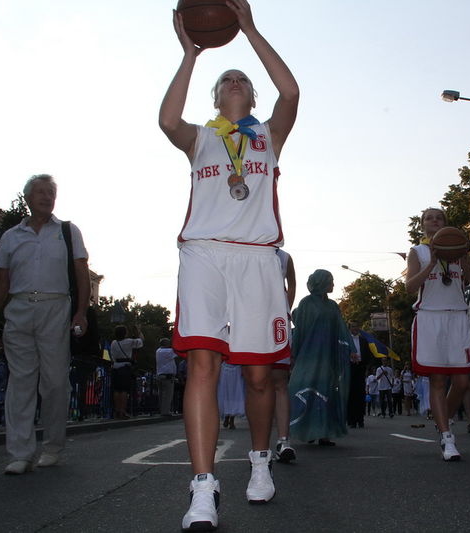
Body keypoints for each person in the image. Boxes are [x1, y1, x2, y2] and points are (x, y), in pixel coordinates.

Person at [159, 0, 299, 529]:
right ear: (216, 96)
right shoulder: (201, 137)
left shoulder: (270, 135)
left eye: (242, 79)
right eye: (227, 79)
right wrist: (191, 55)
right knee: (202, 364)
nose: (235, 81)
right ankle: (203, 485)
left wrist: (249, 29)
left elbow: (290, 92)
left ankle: (259, 462)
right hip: (204, 252)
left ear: (251, 95)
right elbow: (166, 119)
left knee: (261, 376)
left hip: (258, 258)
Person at [0, 174, 90, 474]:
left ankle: (53, 445)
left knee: (55, 381)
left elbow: (81, 271)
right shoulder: (12, 236)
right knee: (21, 382)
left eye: (50, 192)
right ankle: (20, 453)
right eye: (40, 192)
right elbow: (0, 279)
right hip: (18, 308)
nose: (45, 196)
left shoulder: (68, 231)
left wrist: (81, 311)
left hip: (56, 307)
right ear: (28, 198)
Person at [406, 207, 470, 461]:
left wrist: (464, 256)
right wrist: (432, 263)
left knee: (462, 382)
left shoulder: (457, 251)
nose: (434, 220)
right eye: (429, 218)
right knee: (438, 380)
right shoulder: (418, 252)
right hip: (430, 316)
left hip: (457, 315)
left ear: (446, 224)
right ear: (422, 226)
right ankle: (448, 438)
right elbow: (409, 287)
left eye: (439, 217)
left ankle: (442, 419)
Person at [287, 270, 351, 446]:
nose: (333, 285)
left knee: (327, 390)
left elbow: (342, 329)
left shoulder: (333, 306)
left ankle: (324, 432)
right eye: (331, 281)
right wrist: (294, 354)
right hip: (310, 356)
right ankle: (308, 429)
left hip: (329, 356)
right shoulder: (306, 304)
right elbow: (299, 331)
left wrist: (350, 349)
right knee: (306, 388)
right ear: (322, 282)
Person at [272, 248, 297, 462]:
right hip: (251, 317)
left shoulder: (284, 256)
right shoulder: (246, 247)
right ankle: (258, 448)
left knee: (280, 381)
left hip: (277, 322)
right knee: (257, 380)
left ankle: (283, 440)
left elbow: (292, 282)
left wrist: (286, 306)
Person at [110, 325, 144, 419]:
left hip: (115, 367)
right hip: (125, 367)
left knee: (117, 390)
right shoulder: (129, 342)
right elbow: (141, 341)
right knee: (124, 390)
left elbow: (112, 355)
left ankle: (117, 410)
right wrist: (139, 331)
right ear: (125, 333)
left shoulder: (113, 343)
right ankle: (122, 411)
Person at [347, 322, 373, 427]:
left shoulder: (363, 340)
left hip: (360, 368)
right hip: (349, 368)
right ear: (349, 329)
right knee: (351, 394)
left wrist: (366, 367)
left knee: (360, 394)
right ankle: (351, 420)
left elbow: (368, 355)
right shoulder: (346, 341)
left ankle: (360, 419)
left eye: (357, 326)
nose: (355, 328)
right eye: (353, 326)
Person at [217, 362, 245, 430]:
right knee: (226, 393)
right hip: (225, 367)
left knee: (235, 394)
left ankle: (231, 419)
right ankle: (227, 417)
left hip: (237, 367)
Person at [155, 338, 178, 416]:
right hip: (168, 377)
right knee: (168, 395)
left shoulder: (158, 351)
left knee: (161, 394)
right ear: (167, 344)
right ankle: (165, 412)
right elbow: (177, 352)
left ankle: (161, 410)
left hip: (160, 375)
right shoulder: (169, 351)